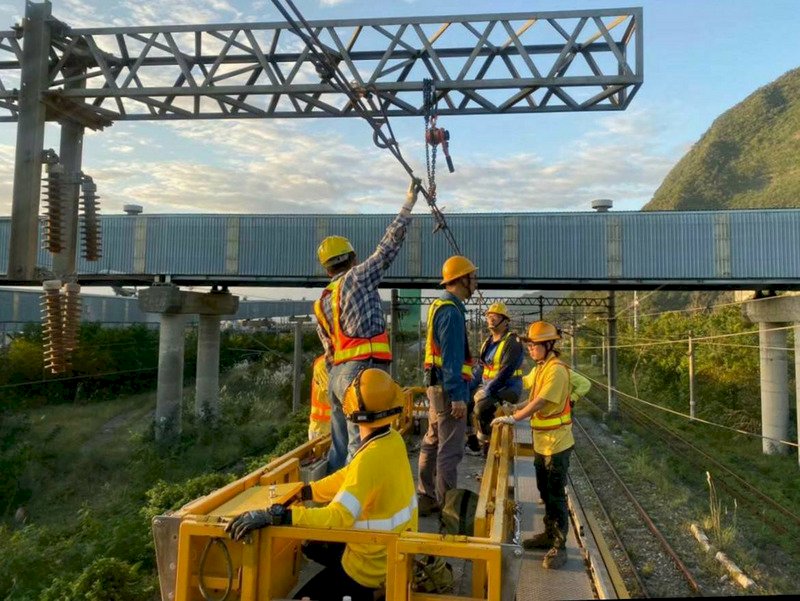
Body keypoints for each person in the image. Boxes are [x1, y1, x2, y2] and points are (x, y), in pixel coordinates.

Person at [226, 369, 418, 601]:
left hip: (368, 569)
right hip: (393, 553)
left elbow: (339, 517)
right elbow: (348, 475)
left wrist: (281, 516)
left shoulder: (370, 459)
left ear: (353, 410)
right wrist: (309, 491)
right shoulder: (391, 440)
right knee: (311, 545)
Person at [314, 178, 421, 473]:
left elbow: (330, 349)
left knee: (339, 444)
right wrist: (408, 204)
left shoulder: (322, 300)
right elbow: (387, 250)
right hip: (363, 373)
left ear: (326, 268)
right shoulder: (358, 278)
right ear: (352, 258)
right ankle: (351, 507)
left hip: (337, 376)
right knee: (359, 443)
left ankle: (332, 494)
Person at [491, 321, 573, 570]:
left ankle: (560, 546)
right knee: (544, 490)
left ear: (548, 345)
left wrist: (514, 417)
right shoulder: (542, 368)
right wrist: (517, 406)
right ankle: (549, 534)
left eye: (533, 345)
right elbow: (532, 397)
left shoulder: (556, 370)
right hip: (543, 442)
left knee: (556, 495)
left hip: (557, 444)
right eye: (528, 344)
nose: (529, 349)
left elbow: (539, 402)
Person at [417, 255, 478, 516]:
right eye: (472, 277)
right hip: (448, 390)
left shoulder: (439, 307)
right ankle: (448, 511)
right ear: (461, 279)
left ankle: (426, 495)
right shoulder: (452, 313)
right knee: (450, 450)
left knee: (431, 440)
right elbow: (452, 359)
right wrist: (457, 397)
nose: (475, 282)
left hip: (436, 388)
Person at [471, 302, 524, 454]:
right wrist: (467, 387)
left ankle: (484, 441)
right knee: (466, 401)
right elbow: (481, 368)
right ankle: (484, 440)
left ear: (505, 321)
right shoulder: (487, 343)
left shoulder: (512, 342)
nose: (491, 319)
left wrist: (485, 392)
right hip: (491, 387)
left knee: (481, 407)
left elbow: (505, 372)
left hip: (509, 387)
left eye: (495, 316)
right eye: (489, 316)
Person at [521, 357, 591, 409]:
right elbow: (525, 382)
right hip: (542, 413)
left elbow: (585, 383)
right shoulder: (537, 371)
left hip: (559, 414)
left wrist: (573, 397)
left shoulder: (564, 371)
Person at [308, 354, 331, 441]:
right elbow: (332, 391)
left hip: (331, 427)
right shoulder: (322, 364)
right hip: (321, 429)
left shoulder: (339, 362)